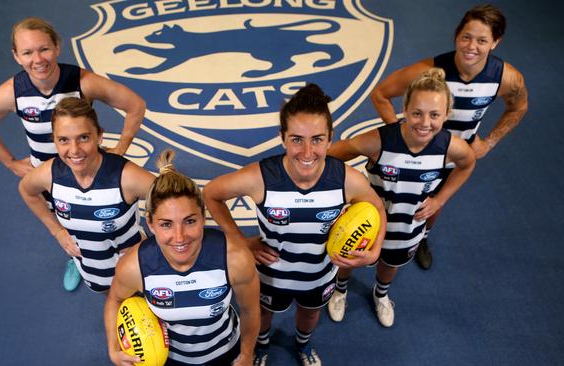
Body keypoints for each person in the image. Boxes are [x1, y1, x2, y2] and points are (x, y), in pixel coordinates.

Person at [203, 84, 386, 366]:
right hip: (271, 271)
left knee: (310, 312)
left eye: (317, 139)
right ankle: (262, 348)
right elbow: (211, 194)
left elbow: (376, 207)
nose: (307, 151)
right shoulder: (262, 177)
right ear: (282, 138)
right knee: (265, 313)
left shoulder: (346, 179)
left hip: (319, 272)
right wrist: (241, 240)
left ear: (330, 139)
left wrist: (374, 251)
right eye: (297, 140)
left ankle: (303, 345)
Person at [0, 17, 147, 290]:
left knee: (112, 216)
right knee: (71, 224)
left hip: (89, 167)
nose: (38, 59)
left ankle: (136, 249)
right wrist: (9, 162)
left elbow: (135, 105)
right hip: (50, 179)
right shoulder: (13, 93)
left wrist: (121, 147)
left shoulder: (83, 82)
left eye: (44, 49)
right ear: (16, 56)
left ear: (57, 47)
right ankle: (77, 257)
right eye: (28, 52)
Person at [370, 4, 527, 269]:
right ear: (456, 35)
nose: (471, 46)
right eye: (466, 37)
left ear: (495, 43)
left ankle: (422, 238)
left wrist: (489, 142)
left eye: (482, 40)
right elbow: (380, 94)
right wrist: (398, 134)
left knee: (433, 207)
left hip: (452, 160)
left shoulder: (505, 77)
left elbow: (519, 107)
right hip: (415, 153)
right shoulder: (430, 72)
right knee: (391, 203)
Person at [328, 68, 476, 327]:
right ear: (405, 109)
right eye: (417, 113)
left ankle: (381, 295)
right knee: (348, 258)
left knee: (390, 263)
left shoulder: (450, 146)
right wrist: (345, 194)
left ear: (446, 115)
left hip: (408, 225)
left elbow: (468, 163)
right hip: (369, 223)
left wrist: (440, 200)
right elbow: (333, 155)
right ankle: (340, 290)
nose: (424, 122)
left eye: (434, 115)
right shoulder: (379, 141)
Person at [104, 149, 260, 366]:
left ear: (203, 217)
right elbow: (115, 299)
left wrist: (246, 354)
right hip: (169, 360)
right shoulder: (135, 266)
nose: (179, 237)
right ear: (150, 223)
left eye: (189, 221)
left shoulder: (234, 258)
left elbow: (250, 310)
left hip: (225, 353)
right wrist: (113, 348)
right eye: (166, 224)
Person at [19, 97, 154, 292]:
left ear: (99, 136)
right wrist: (57, 231)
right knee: (110, 300)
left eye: (83, 137)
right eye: (64, 140)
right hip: (93, 270)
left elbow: (174, 202)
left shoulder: (126, 177)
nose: (74, 151)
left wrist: (156, 246)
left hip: (136, 270)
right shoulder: (49, 175)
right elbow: (26, 190)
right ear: (54, 141)